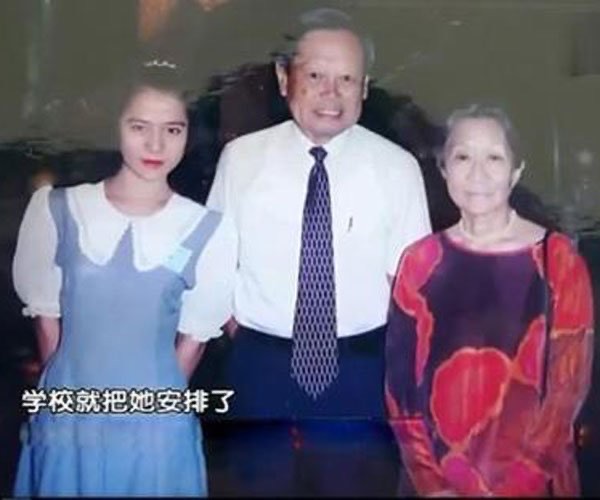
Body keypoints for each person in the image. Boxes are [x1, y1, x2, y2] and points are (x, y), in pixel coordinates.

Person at [205, 7, 431, 497]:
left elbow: (412, 288)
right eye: (315, 76)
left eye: (347, 78)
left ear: (365, 87)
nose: (332, 93)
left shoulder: (397, 168)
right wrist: (245, 335)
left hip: (361, 372)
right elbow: (212, 262)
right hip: (260, 367)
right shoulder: (241, 159)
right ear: (284, 78)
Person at [12, 60, 237, 497]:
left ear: (189, 134)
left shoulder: (206, 227)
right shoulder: (58, 209)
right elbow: (46, 322)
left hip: (155, 424)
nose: (156, 144)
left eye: (172, 129)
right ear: (115, 126)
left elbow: (194, 339)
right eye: (139, 127)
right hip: (70, 415)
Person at [385, 104, 594, 497]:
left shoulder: (558, 260)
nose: (477, 173)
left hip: (536, 482)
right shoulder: (419, 261)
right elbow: (400, 389)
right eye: (462, 157)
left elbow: (566, 393)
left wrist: (520, 485)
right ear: (443, 168)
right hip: (435, 483)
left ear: (516, 170)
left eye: (494, 158)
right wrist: (431, 484)